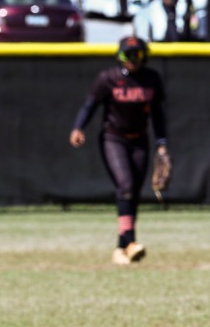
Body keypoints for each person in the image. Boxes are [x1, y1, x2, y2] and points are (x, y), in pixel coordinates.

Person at [69, 35, 168, 265]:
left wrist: (161, 141)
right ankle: (131, 241)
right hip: (114, 139)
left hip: (140, 139)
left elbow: (158, 115)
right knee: (125, 185)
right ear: (118, 56)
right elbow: (90, 105)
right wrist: (78, 127)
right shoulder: (108, 78)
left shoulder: (151, 79)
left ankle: (121, 248)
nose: (132, 60)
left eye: (137, 55)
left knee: (132, 192)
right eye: (127, 55)